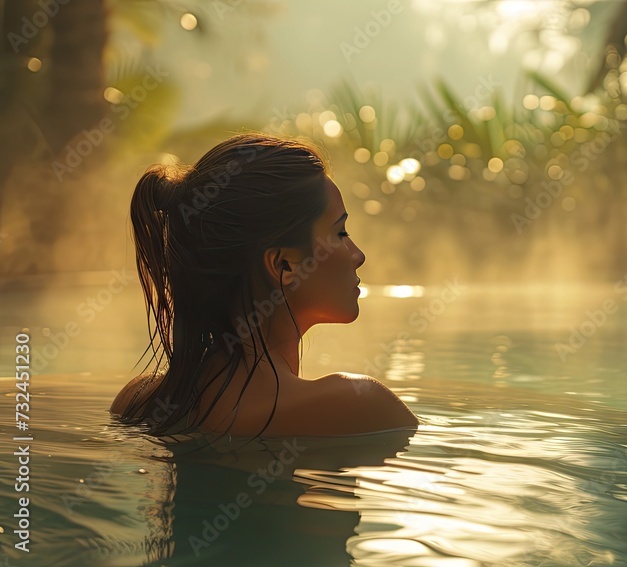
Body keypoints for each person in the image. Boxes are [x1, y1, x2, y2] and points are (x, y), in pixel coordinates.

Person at [109, 132, 418, 439]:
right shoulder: (361, 407)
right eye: (340, 233)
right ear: (284, 265)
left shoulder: (138, 401)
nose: (358, 255)